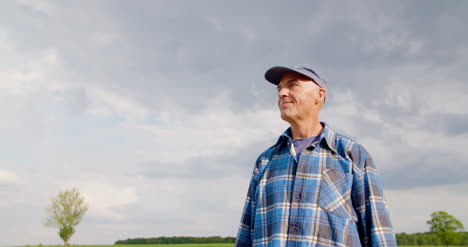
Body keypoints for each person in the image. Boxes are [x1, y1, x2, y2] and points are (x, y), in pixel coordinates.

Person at [235, 64, 396, 247]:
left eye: (293, 85)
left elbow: (379, 231)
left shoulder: (352, 155)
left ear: (319, 94)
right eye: (279, 89)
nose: (282, 93)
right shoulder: (265, 161)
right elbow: (246, 233)